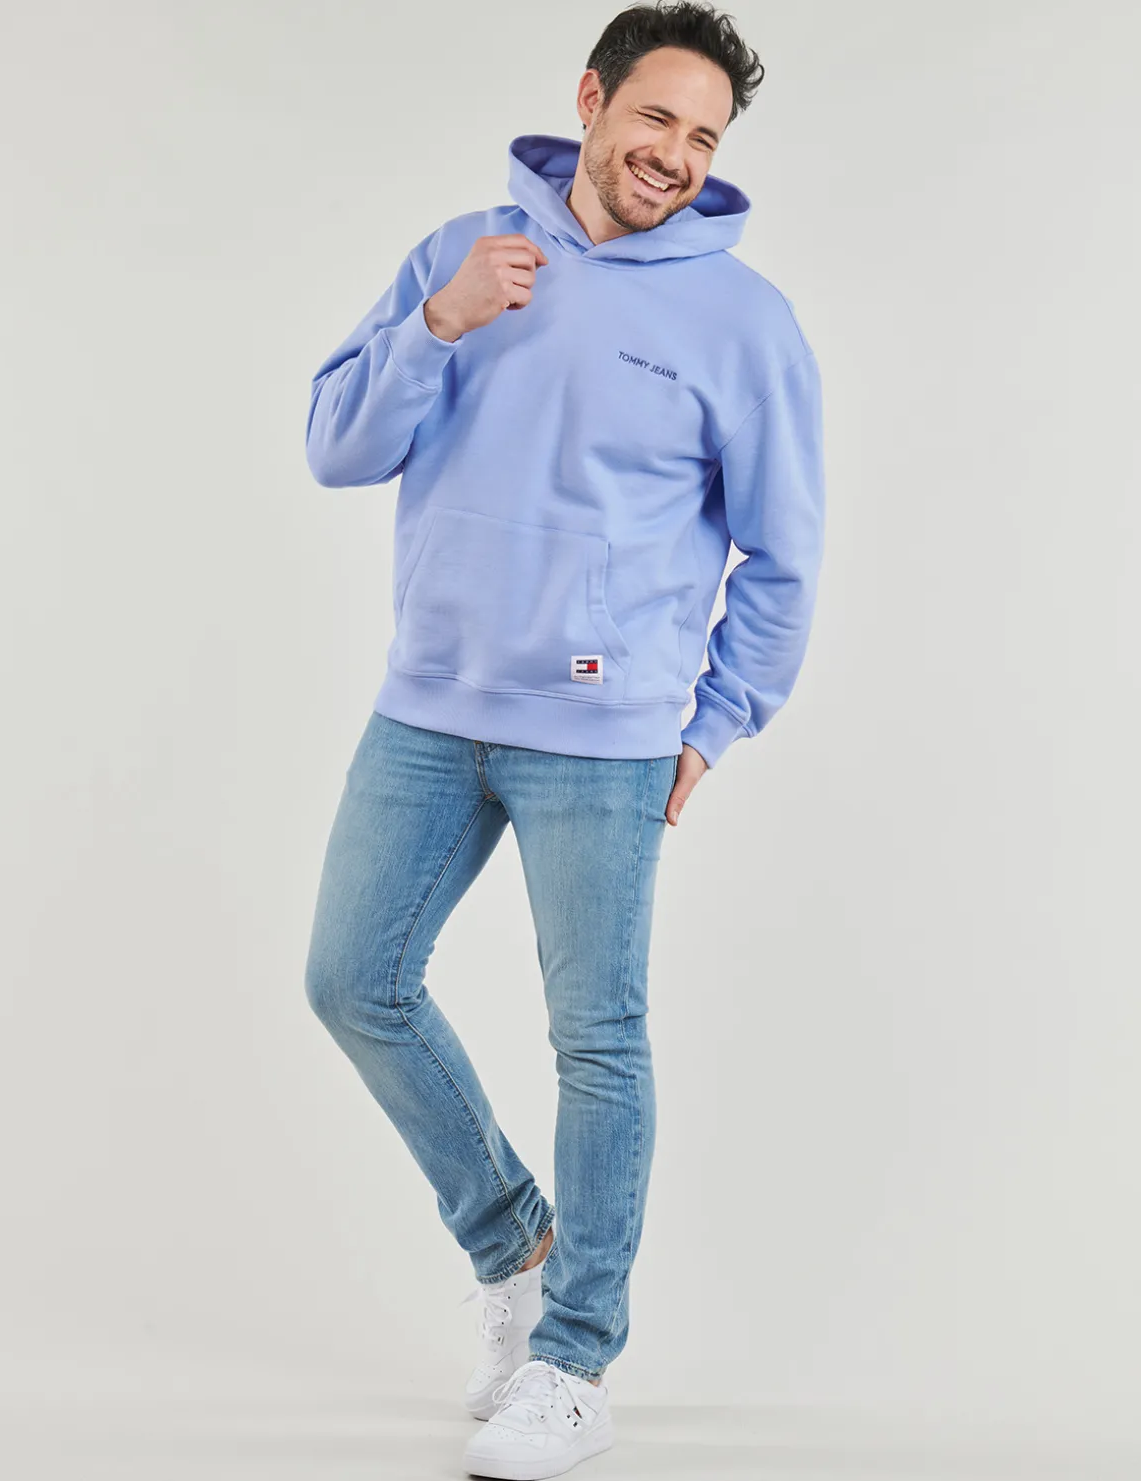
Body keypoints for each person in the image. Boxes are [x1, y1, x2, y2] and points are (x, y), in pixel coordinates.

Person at [303, 3, 825, 1475]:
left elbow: (784, 557)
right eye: (656, 116)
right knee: (352, 981)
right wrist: (439, 325)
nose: (675, 154)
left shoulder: (744, 322)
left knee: (597, 1038)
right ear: (592, 101)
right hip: (427, 706)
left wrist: (713, 726)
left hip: (606, 734)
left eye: (704, 136)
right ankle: (514, 1245)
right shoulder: (460, 255)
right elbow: (337, 448)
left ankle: (578, 1359)